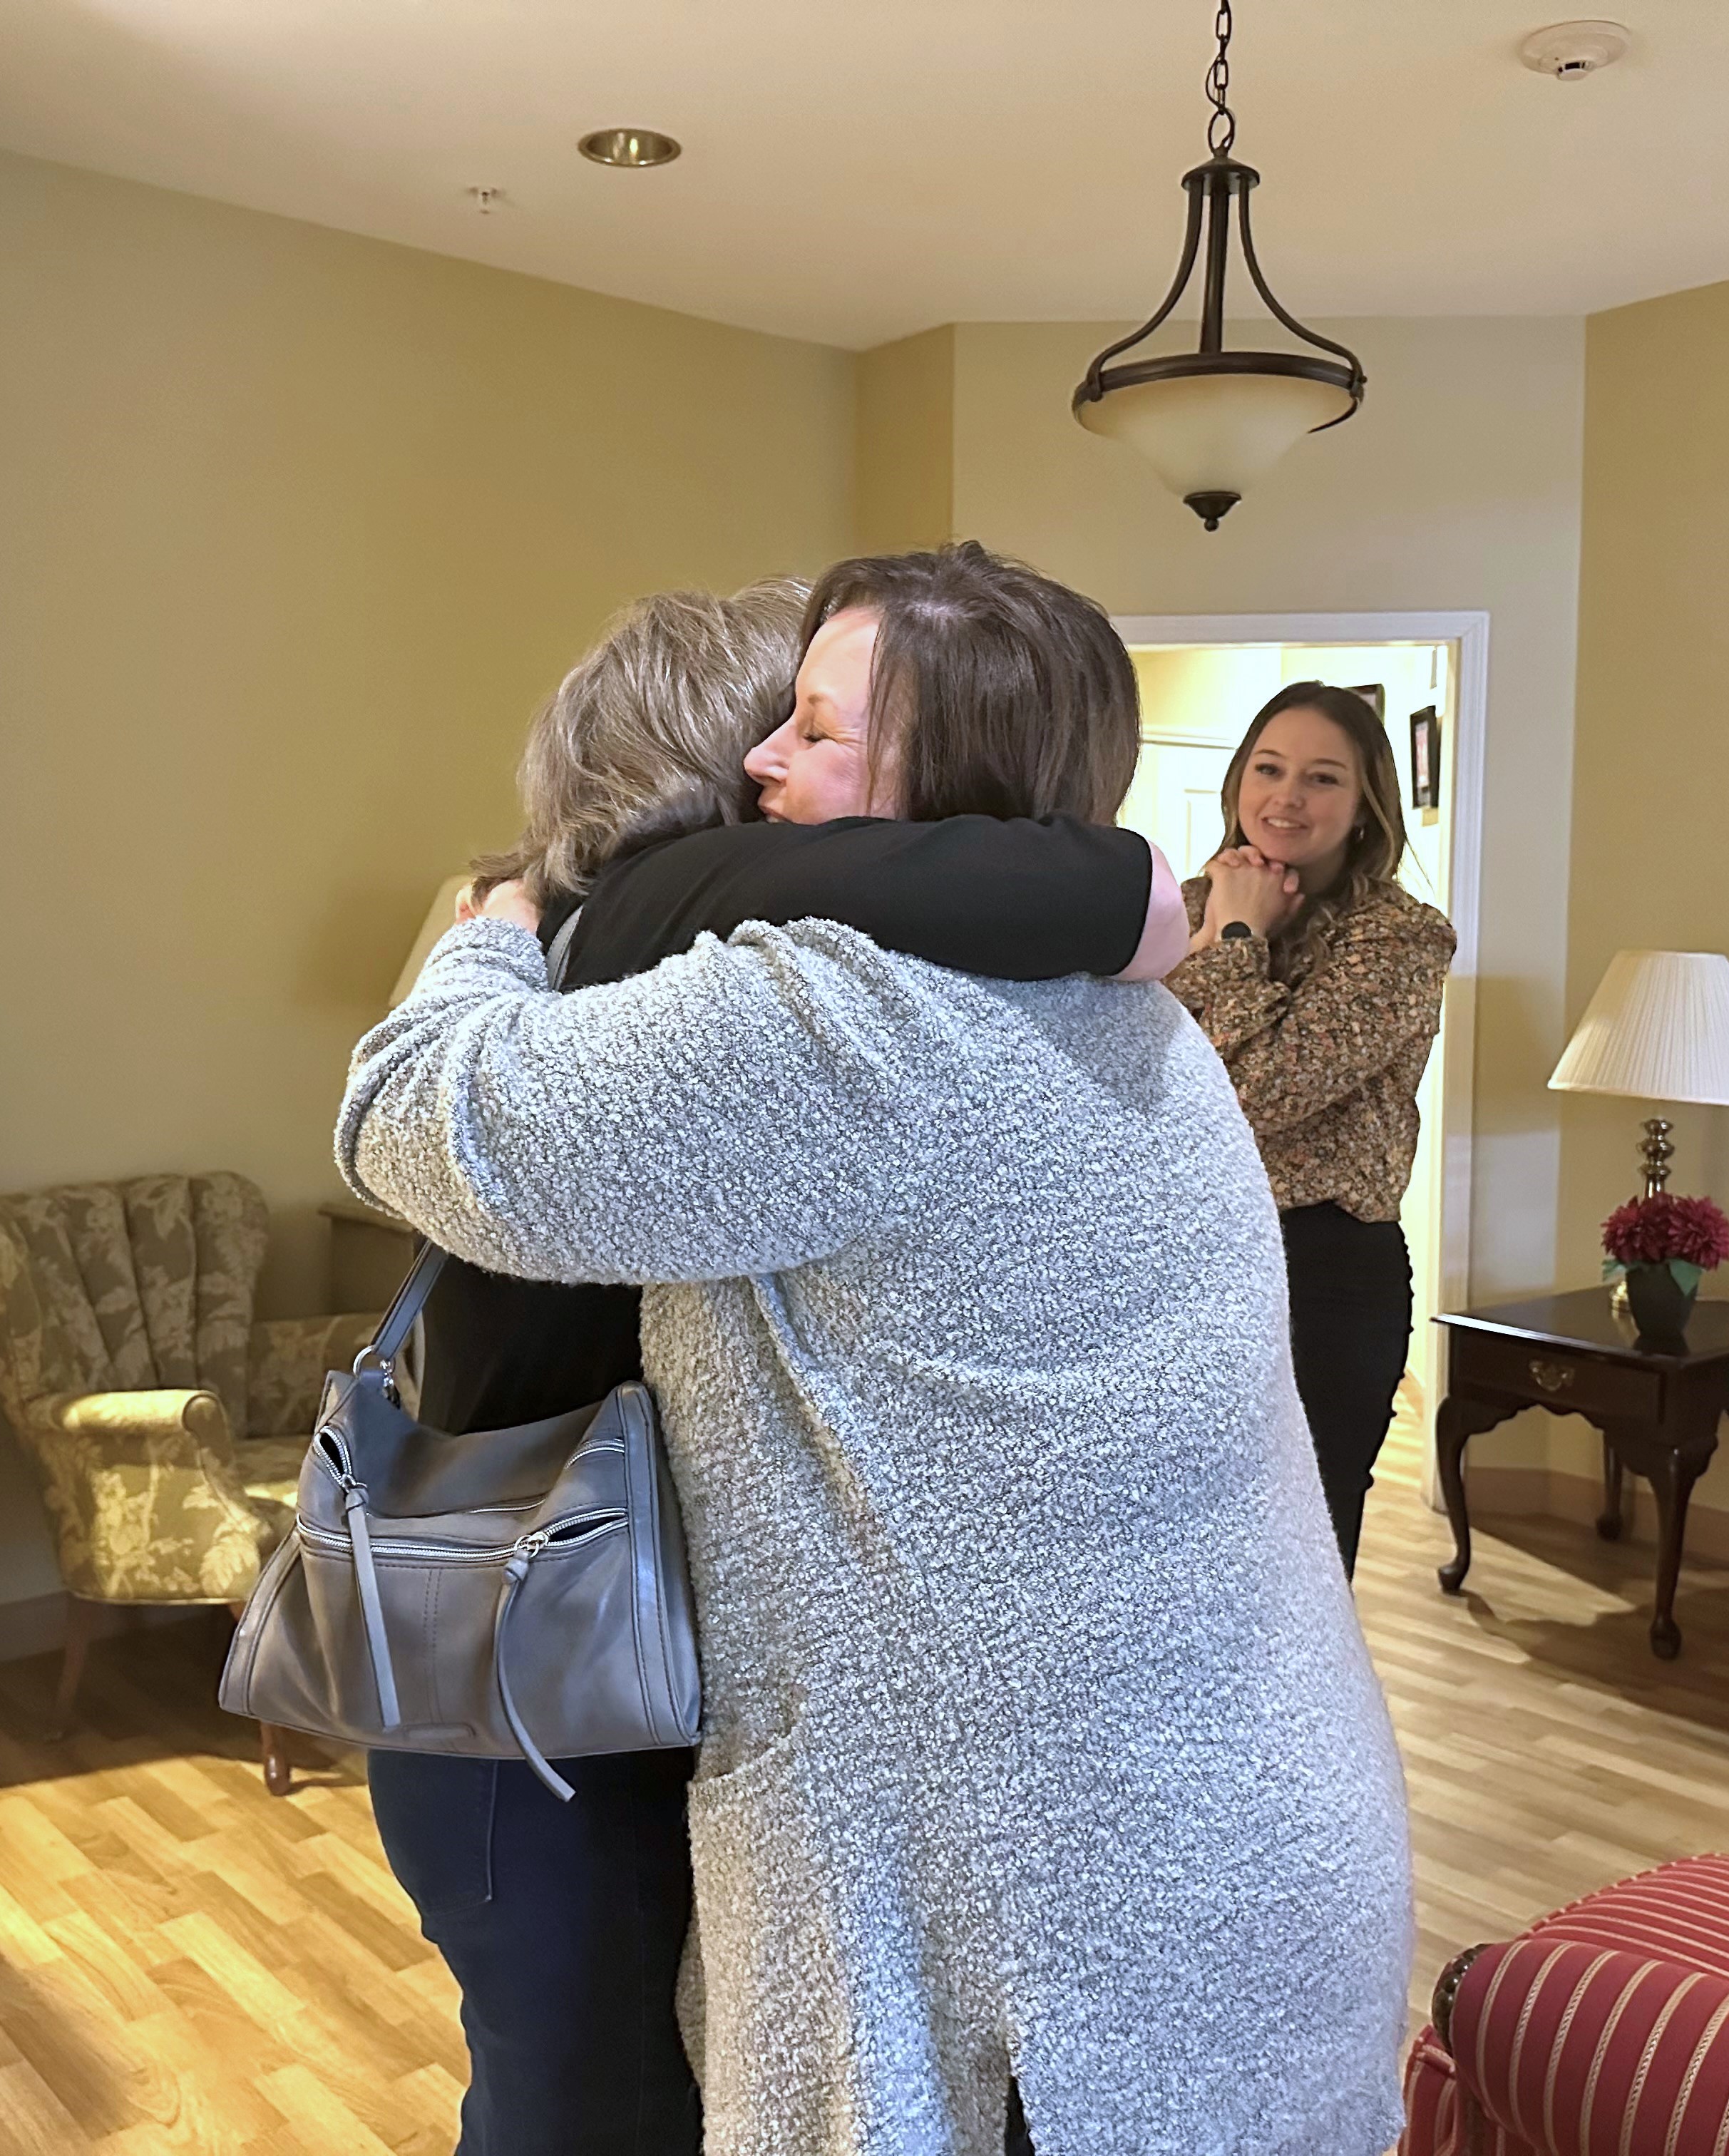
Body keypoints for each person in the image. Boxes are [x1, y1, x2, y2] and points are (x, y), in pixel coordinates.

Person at [342, 544, 1415, 2156]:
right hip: (1259, 1872)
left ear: (947, 798)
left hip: (1061, 1966)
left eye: (820, 733)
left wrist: (499, 923)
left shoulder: (849, 1025)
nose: (768, 760)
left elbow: (411, 1116)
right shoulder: (1139, 1022)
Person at [1167, 682, 1456, 1576]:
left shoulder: (1401, 941)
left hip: (1320, 1274)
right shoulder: (1177, 907)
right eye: (1270, 768)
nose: (1287, 797)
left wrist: (1240, 932)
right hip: (1184, 1254)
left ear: (1366, 806)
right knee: (1179, 1544)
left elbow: (1256, 1091)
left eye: (1322, 778)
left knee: (1301, 1562)